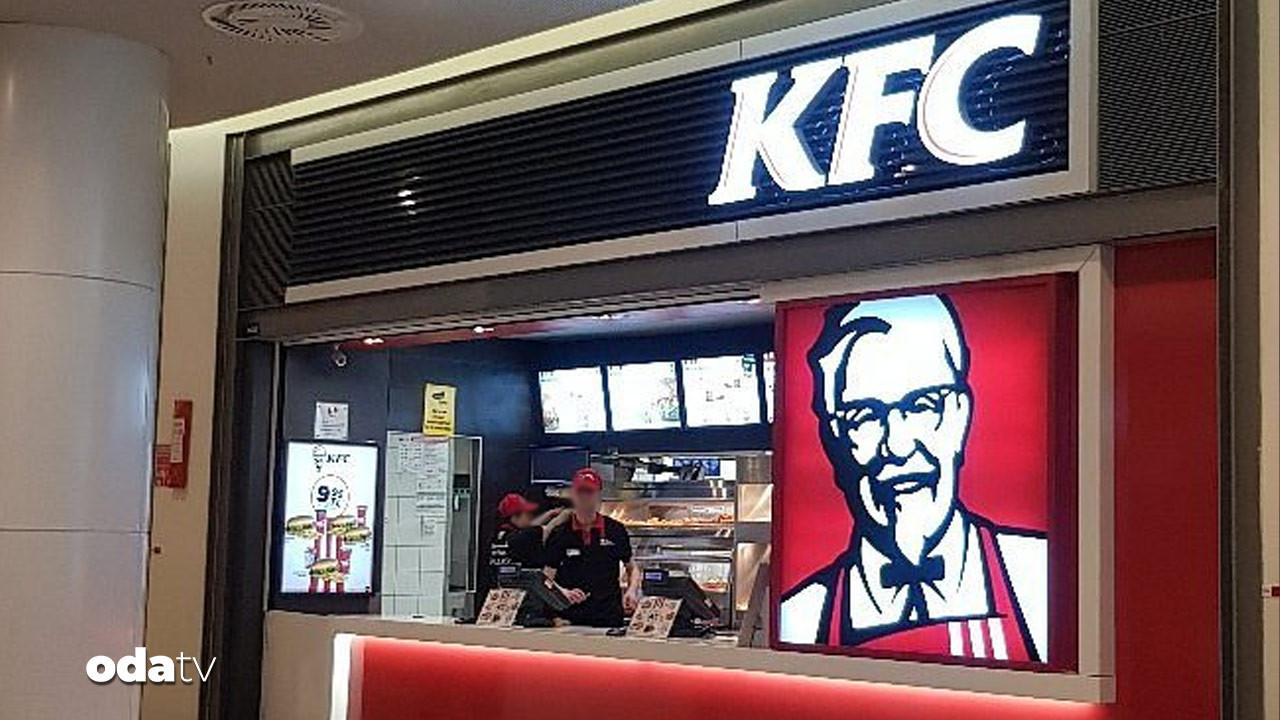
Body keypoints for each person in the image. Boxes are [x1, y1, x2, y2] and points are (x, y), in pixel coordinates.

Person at [778, 294, 1048, 663]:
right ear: (835, 441)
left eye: (922, 406)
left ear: (960, 417)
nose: (898, 446)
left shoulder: (1037, 577)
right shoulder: (802, 616)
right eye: (864, 416)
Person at [543, 468, 642, 627]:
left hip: (608, 615)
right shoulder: (560, 533)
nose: (584, 497)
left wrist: (632, 590)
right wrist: (562, 592)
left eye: (589, 491)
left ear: (598, 495)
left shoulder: (615, 530)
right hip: (569, 617)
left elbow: (632, 568)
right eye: (580, 491)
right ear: (573, 494)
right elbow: (547, 577)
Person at [487, 492, 571, 585]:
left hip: (500, 587)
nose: (530, 516)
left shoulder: (498, 535)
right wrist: (563, 516)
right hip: (523, 589)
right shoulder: (522, 537)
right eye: (527, 513)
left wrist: (549, 514)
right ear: (515, 516)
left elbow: (529, 530)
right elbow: (546, 530)